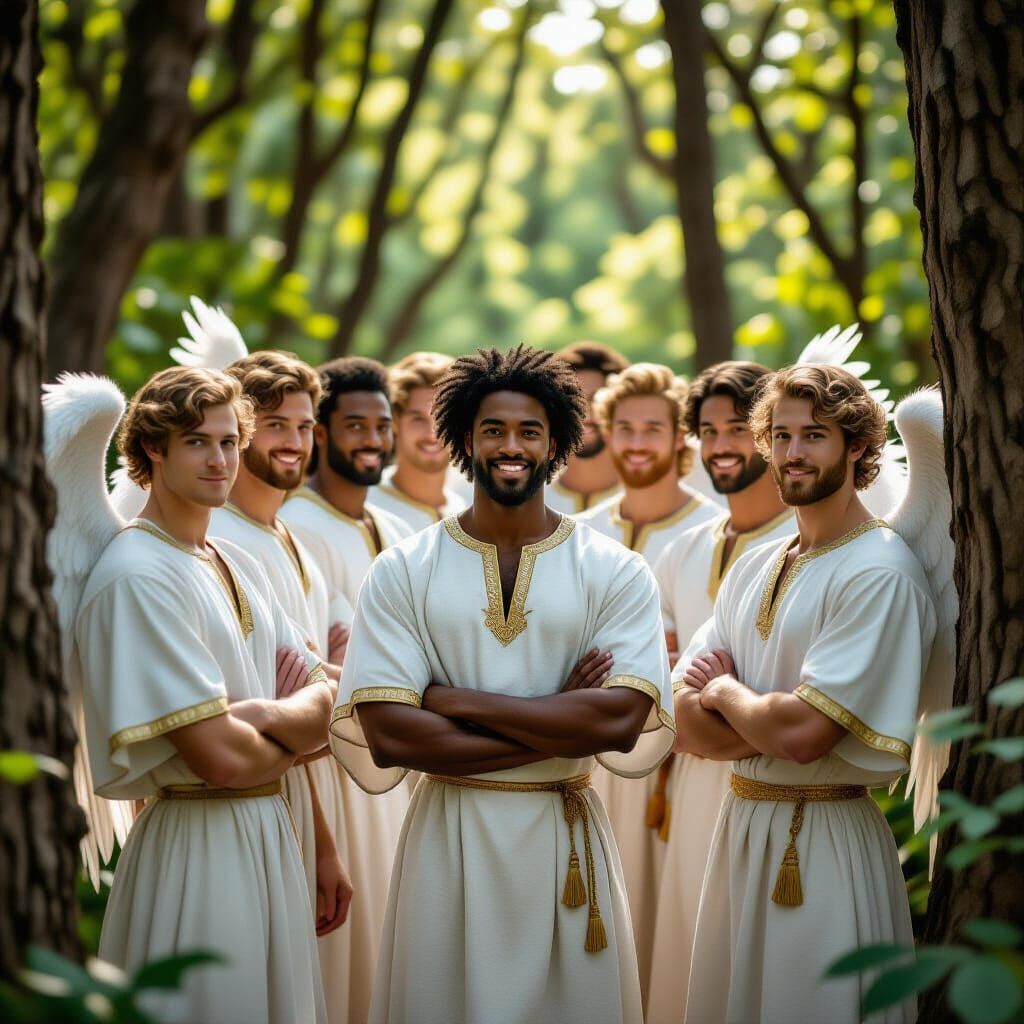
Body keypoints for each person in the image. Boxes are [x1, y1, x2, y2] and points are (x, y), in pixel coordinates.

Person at [329, 345, 675, 1024]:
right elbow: (392, 735)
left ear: (558, 444)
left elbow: (619, 723)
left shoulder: (616, 570)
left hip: (563, 843)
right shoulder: (403, 570)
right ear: (463, 440)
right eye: (493, 430)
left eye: (529, 431)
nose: (511, 446)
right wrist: (558, 719)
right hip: (447, 843)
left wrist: (452, 701)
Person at [676, 364, 936, 1024]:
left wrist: (729, 693)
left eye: (814, 435)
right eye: (782, 435)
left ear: (856, 447)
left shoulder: (880, 573)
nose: (793, 454)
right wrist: (767, 716)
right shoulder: (759, 564)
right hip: (741, 831)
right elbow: (682, 721)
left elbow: (801, 738)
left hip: (824, 843)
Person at [76, 367, 335, 1023]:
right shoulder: (138, 576)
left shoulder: (232, 560)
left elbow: (330, 700)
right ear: (152, 450)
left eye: (227, 441)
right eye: (196, 441)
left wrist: (261, 718)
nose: (220, 459)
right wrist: (293, 735)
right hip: (195, 850)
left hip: (269, 833)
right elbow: (219, 761)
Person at [210, 350, 356, 1023]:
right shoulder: (221, 539)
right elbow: (278, 708)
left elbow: (317, 688)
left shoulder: (289, 537)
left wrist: (323, 843)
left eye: (303, 425)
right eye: (274, 424)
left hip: (303, 791)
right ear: (238, 431)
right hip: (239, 800)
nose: (294, 441)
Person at [646, 361, 793, 1022]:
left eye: (737, 427)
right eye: (708, 430)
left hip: (778, 787)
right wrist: (725, 698)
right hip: (685, 787)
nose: (721, 445)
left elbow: (798, 707)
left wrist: (717, 694)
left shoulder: (799, 545)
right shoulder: (681, 549)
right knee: (690, 961)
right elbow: (661, 683)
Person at [578, 361, 720, 993]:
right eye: (625, 427)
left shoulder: (709, 528)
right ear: (606, 431)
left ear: (679, 437)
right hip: (591, 761)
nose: (637, 443)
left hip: (684, 761)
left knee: (677, 935)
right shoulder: (579, 534)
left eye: (653, 429)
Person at [280, 355, 412, 1021]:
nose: (370, 438)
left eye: (379, 424)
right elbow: (313, 668)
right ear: (322, 434)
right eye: (352, 423)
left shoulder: (391, 525)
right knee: (338, 966)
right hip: (332, 772)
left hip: (392, 763)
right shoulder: (298, 525)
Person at [371, 351, 467, 530]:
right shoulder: (367, 508)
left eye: (443, 419)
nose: (432, 434)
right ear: (394, 421)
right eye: (418, 419)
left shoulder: (466, 510)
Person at [546, 340, 630, 514]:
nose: (585, 414)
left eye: (596, 399)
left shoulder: (647, 496)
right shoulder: (529, 498)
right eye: (573, 400)